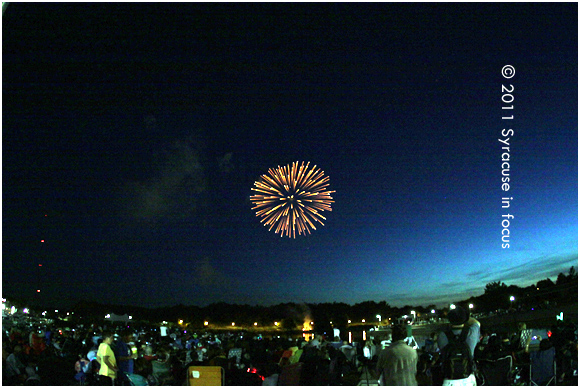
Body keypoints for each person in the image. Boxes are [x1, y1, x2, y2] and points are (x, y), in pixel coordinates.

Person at [437, 306, 480, 386]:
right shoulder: (471, 333)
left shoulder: (442, 335)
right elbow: (476, 323)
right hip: (468, 379)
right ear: (465, 319)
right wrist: (466, 318)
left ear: (449, 320)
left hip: (449, 380)